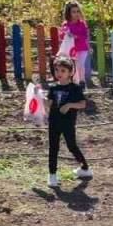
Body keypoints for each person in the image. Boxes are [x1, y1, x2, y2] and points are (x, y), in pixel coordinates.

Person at [44, 56, 91, 188]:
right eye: (57, 70)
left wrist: (69, 105)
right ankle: (52, 175)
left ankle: (85, 168)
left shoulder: (75, 88)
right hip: (54, 122)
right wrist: (37, 96)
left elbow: (82, 104)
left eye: (63, 70)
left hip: (68, 123)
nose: (59, 73)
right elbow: (49, 103)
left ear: (71, 72)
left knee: (72, 146)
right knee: (53, 148)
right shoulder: (53, 88)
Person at [60, 1, 90, 85]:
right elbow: (62, 36)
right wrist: (66, 33)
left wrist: (76, 36)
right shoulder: (66, 24)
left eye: (77, 11)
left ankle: (82, 82)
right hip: (71, 49)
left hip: (82, 48)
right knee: (72, 66)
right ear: (69, 13)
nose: (76, 14)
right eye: (73, 12)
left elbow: (85, 36)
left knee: (80, 65)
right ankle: (73, 83)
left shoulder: (82, 24)